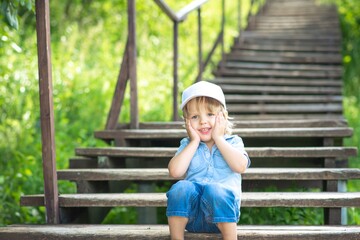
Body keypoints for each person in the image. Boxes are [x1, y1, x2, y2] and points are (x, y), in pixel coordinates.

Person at [166, 81, 251, 240]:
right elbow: (175, 172)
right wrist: (193, 142)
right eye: (195, 117)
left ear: (223, 117)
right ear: (187, 122)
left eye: (210, 114)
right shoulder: (187, 145)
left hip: (222, 215)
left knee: (216, 190)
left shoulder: (233, 142)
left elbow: (240, 166)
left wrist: (219, 138)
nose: (203, 121)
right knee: (181, 187)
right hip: (192, 216)